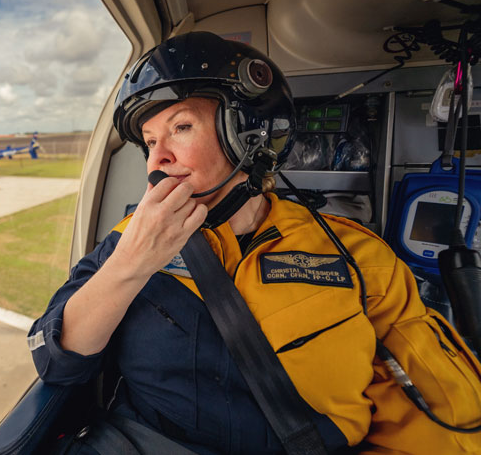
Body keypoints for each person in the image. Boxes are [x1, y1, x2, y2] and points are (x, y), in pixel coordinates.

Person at [29, 32, 481, 454]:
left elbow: (444, 415)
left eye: (180, 128)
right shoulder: (128, 240)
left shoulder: (356, 256)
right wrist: (129, 264)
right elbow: (57, 363)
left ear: (249, 136)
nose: (158, 158)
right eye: (149, 142)